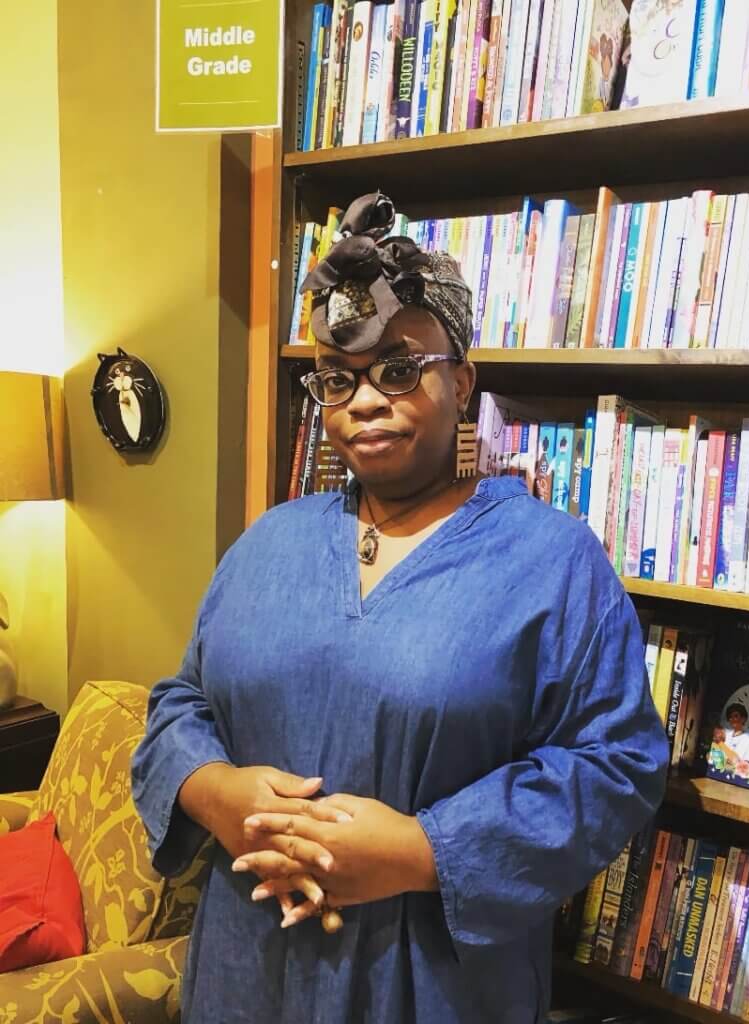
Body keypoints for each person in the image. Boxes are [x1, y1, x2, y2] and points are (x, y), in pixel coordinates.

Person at [131, 191, 668, 1023]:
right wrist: (217, 792)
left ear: (463, 379)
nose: (366, 401)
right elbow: (179, 702)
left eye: (398, 369)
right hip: (248, 970)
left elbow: (615, 764)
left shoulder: (551, 561)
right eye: (337, 379)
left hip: (427, 983)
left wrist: (424, 850)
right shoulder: (269, 543)